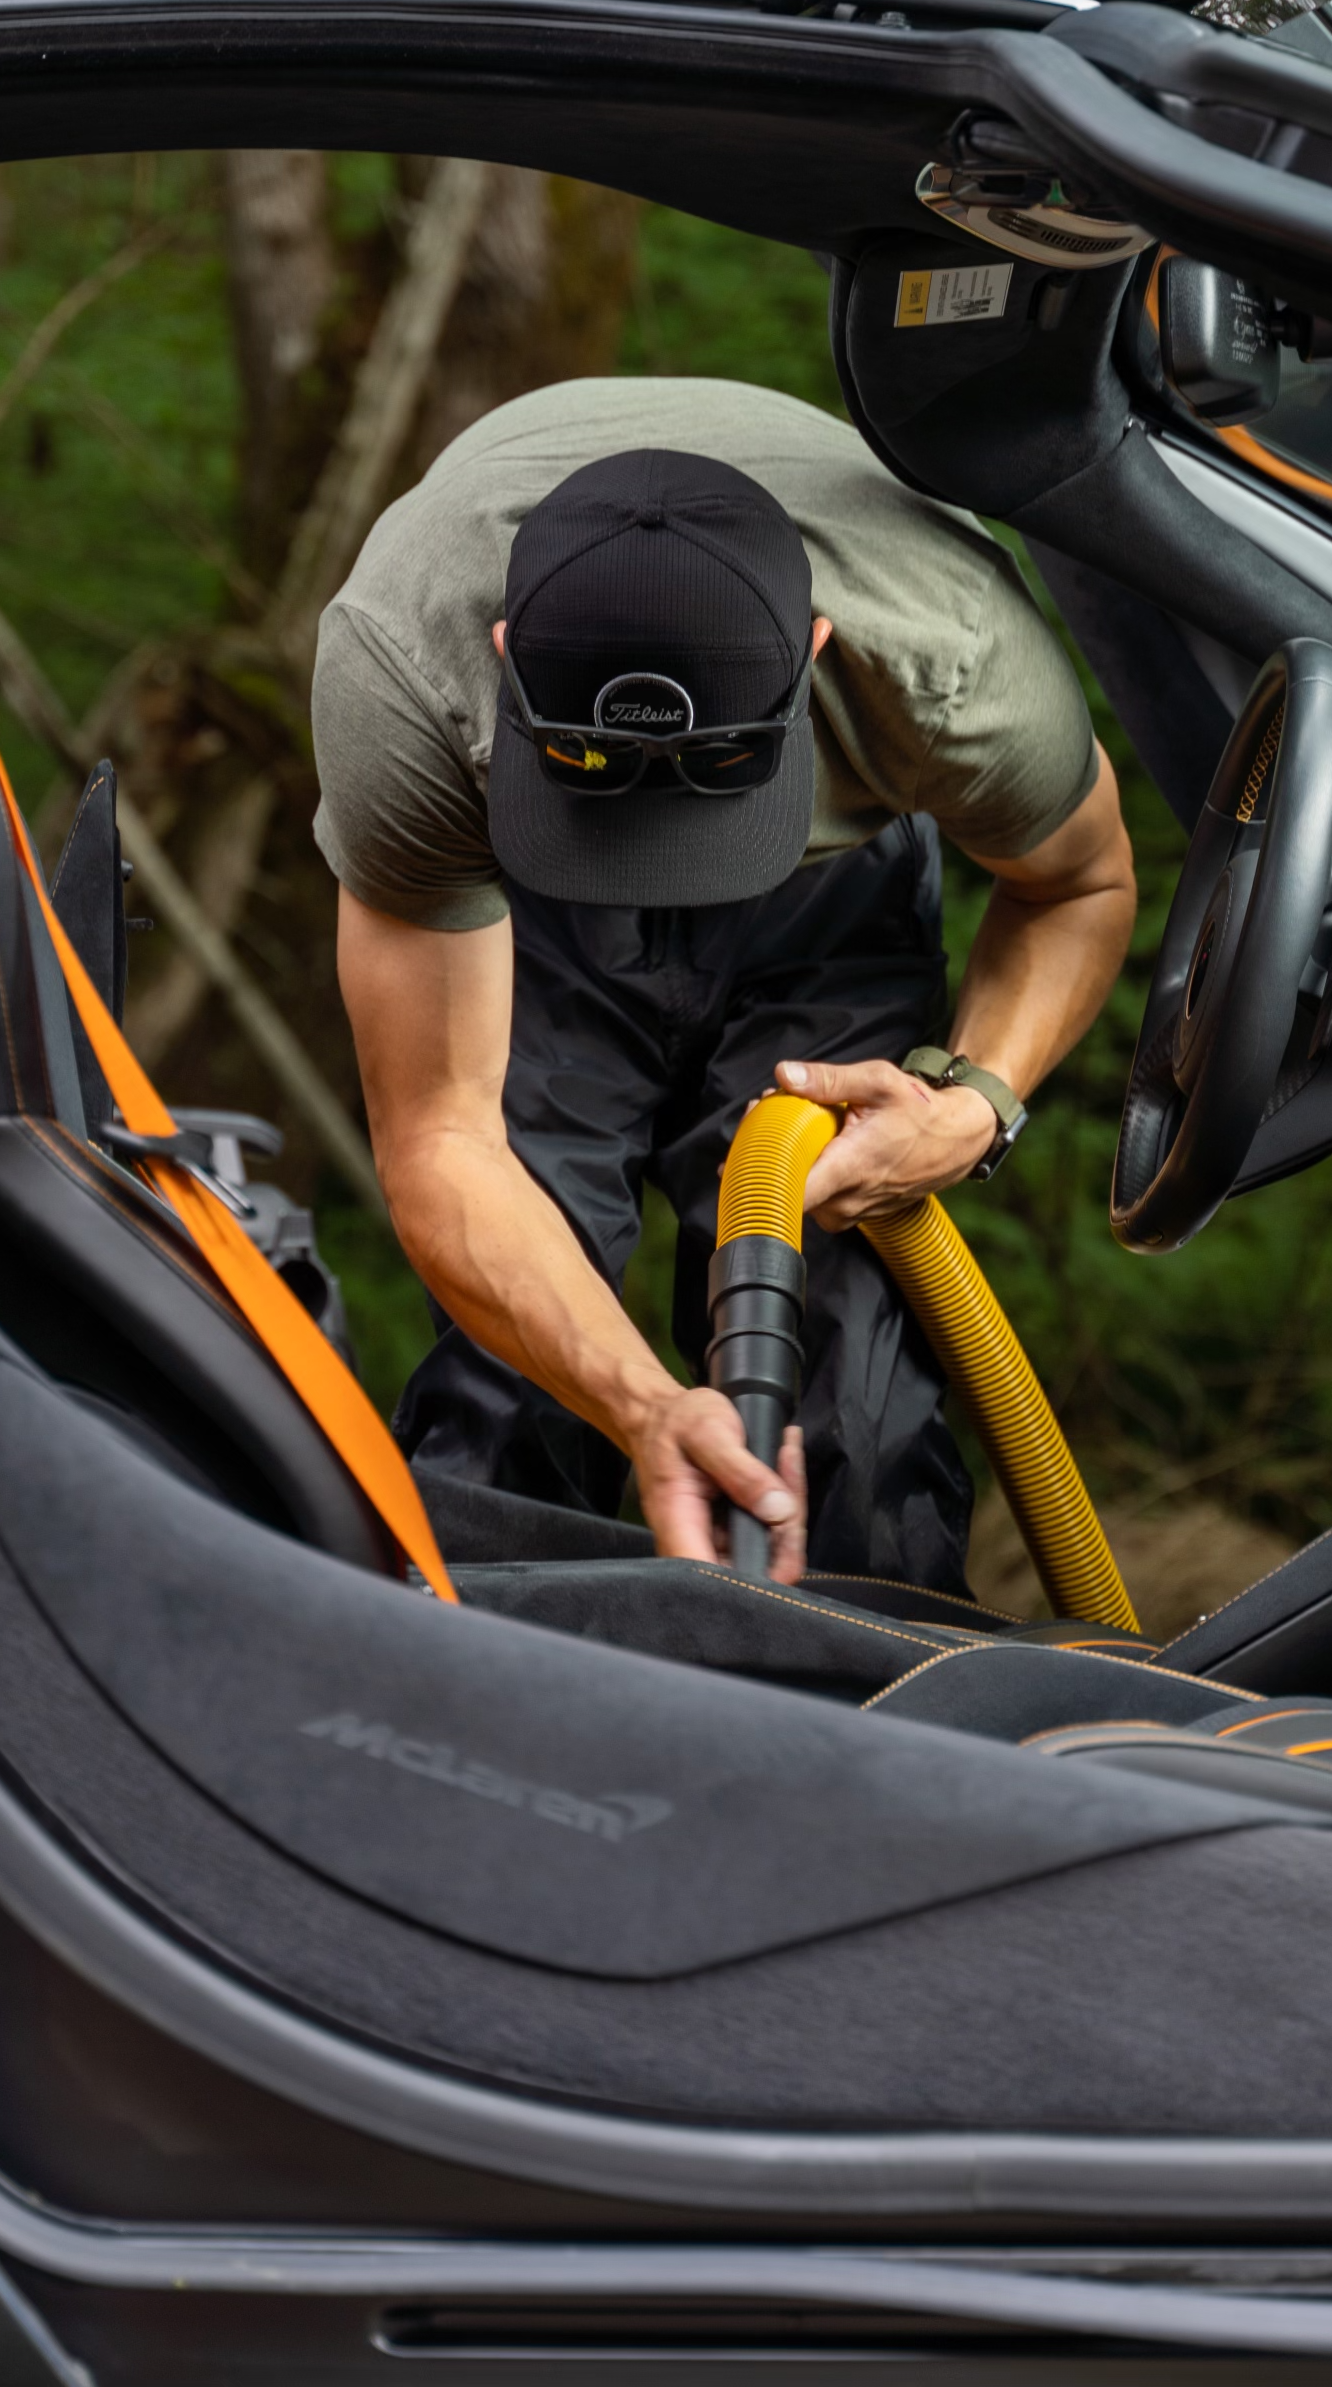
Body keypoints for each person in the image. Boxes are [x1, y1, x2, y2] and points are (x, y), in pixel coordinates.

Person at [315, 376, 1136, 1595]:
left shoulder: (944, 655)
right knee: (514, 1376)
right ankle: (481, 1707)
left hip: (825, 887)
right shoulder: (410, 674)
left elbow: (1076, 889)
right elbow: (443, 1139)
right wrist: (646, 1406)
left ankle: (866, 1729)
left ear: (815, 646)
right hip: (529, 896)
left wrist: (970, 1103)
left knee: (850, 1399)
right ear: (505, 654)